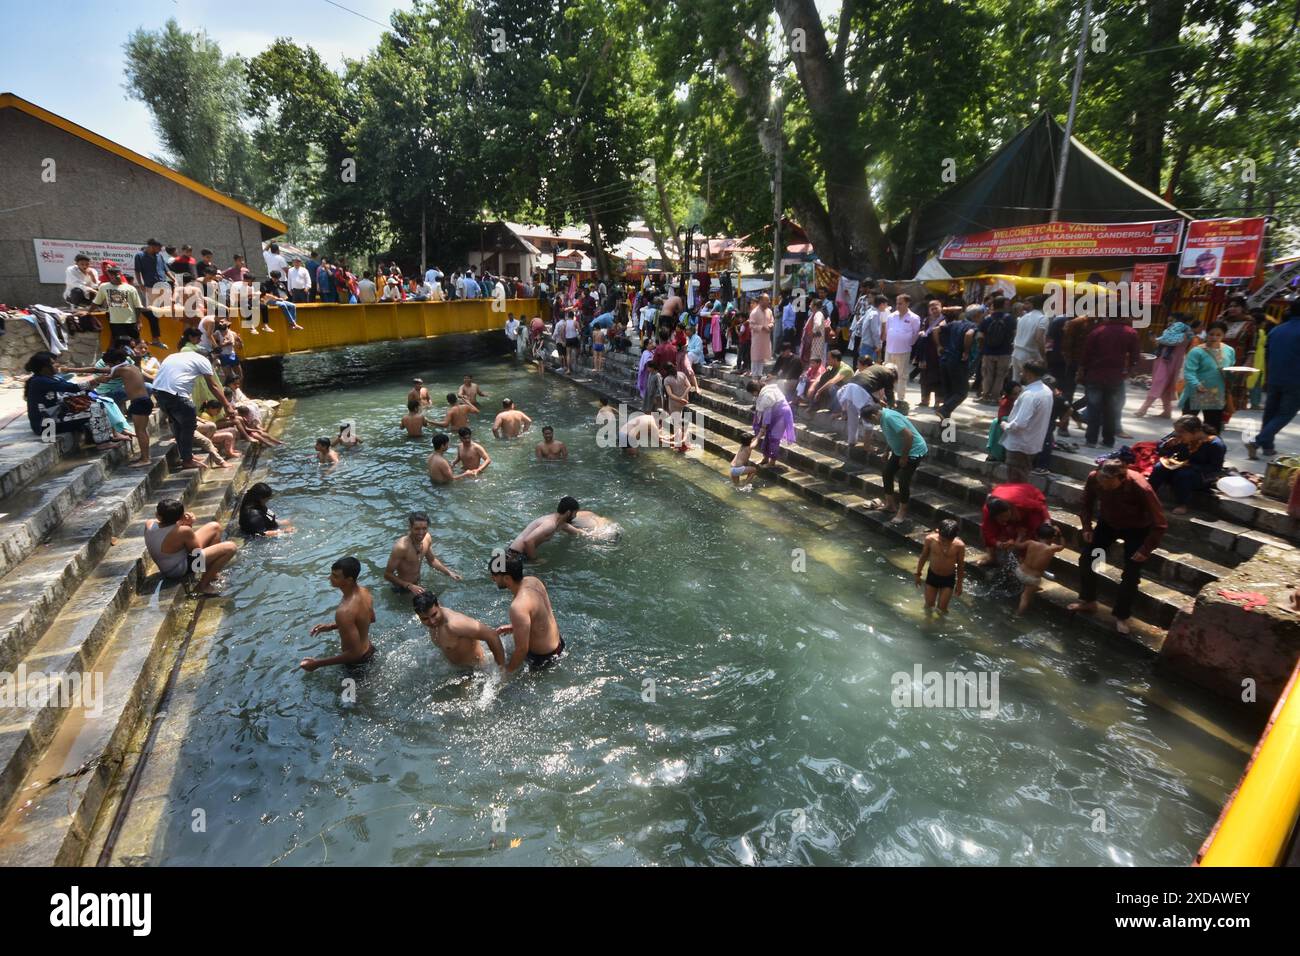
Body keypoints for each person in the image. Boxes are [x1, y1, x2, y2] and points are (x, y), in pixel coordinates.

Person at [1070, 459, 1167, 635]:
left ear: (1121, 479)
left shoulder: (1141, 487)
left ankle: (1121, 615)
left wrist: (1145, 549)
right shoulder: (1094, 478)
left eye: (1109, 484)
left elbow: (1160, 523)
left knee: (1131, 574)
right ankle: (1089, 600)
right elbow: (1086, 503)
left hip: (1137, 529)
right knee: (1088, 559)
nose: (1104, 487)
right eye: (1101, 482)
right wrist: (1086, 527)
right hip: (1108, 524)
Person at [152, 348, 237, 470]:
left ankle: (187, 456)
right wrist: (227, 405)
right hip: (177, 395)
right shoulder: (203, 360)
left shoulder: (174, 356)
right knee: (189, 426)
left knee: (178, 425)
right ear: (208, 357)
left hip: (159, 394)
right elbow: (213, 386)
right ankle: (187, 460)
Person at [24, 351, 123, 449]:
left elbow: (76, 390)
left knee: (100, 402)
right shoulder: (39, 381)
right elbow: (72, 388)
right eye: (53, 363)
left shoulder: (54, 378)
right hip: (46, 426)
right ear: (44, 368)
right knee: (96, 409)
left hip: (57, 416)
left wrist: (96, 395)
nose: (57, 364)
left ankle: (104, 437)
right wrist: (96, 380)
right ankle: (103, 443)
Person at [145, 498, 238, 596]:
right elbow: (196, 552)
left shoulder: (149, 524)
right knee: (230, 547)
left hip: (167, 566)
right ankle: (202, 586)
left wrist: (181, 522)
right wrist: (189, 524)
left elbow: (166, 527)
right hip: (177, 570)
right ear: (181, 516)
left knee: (215, 526)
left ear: (158, 515)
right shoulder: (183, 531)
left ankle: (212, 574)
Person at [489, 553, 564, 673]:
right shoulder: (533, 581)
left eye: (494, 575)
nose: (492, 578)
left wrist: (507, 672)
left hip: (543, 660)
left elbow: (522, 650)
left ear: (507, 578)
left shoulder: (518, 606)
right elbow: (540, 617)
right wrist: (514, 627)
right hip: (559, 645)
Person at [1247, 299, 1300, 460]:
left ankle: (1268, 447)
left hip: (1275, 377)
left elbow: (1269, 354)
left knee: (1270, 413)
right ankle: (1257, 441)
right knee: (1285, 413)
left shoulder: (1277, 330)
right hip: (1296, 378)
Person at [301, 557, 375, 671]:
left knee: (351, 690)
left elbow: (354, 654)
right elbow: (371, 618)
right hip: (370, 650)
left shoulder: (344, 612)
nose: (329, 578)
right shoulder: (365, 592)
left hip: (356, 664)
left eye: (335, 576)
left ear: (349, 580)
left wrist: (316, 664)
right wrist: (332, 626)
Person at [1078, 313, 1139, 448]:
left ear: (1108, 316)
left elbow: (1085, 354)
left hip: (1095, 374)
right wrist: (1129, 372)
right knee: (1111, 409)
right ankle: (1108, 440)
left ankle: (1091, 440)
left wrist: (1082, 370)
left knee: (1094, 408)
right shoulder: (1131, 332)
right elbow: (1135, 356)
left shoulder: (1097, 332)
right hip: (1115, 377)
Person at [1149, 415, 1227, 514]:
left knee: (1184, 475)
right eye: (1176, 431)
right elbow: (1160, 447)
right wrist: (1167, 445)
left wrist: (1191, 466)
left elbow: (1215, 469)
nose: (1177, 434)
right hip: (1178, 467)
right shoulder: (1178, 435)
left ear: (1195, 431)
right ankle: (1148, 496)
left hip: (1200, 476)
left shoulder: (1215, 444)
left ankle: (1182, 504)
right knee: (1159, 467)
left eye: (1181, 432)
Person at [863, 404, 927, 523]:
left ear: (873, 416)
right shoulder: (881, 416)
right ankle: (890, 505)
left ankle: (902, 512)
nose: (872, 424)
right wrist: (887, 451)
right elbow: (892, 436)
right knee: (887, 473)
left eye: (870, 421)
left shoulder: (889, 418)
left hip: (914, 451)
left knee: (903, 481)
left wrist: (904, 457)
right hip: (899, 450)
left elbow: (909, 436)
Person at [413, 592, 506, 669]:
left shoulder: (454, 624)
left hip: (477, 670)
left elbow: (492, 635)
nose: (432, 621)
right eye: (425, 619)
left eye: (434, 615)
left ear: (438, 605)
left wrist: (501, 671)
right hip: (459, 669)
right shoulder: (434, 623)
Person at [95, 347, 154, 465]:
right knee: (142, 431)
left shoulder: (121, 370)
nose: (109, 367)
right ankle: (144, 456)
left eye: (110, 364)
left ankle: (145, 459)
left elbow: (101, 374)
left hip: (139, 402)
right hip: (144, 401)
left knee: (140, 431)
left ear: (116, 362)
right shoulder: (132, 367)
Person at [999, 361, 1054, 483]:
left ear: (1029, 373)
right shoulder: (1047, 391)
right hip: (1032, 443)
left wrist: (1005, 426)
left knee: (1015, 481)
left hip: (1020, 445)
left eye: (1023, 371)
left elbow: (1020, 424)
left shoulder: (1030, 395)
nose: (1020, 373)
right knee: (1021, 478)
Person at [1179, 320, 1235, 435]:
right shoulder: (1196, 351)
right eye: (1211, 334)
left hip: (1216, 393)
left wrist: (1233, 374)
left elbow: (1231, 369)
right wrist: (1197, 384)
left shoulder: (1229, 350)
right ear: (1206, 333)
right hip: (1195, 392)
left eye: (1218, 335)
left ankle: (1210, 451)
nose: (1214, 337)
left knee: (1213, 428)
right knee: (1187, 427)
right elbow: (1189, 372)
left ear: (1224, 335)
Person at [384, 511, 461, 594]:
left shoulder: (427, 538)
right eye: (417, 529)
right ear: (410, 527)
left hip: (417, 584)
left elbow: (432, 560)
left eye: (424, 528)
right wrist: (409, 586)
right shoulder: (401, 547)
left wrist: (449, 573)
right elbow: (387, 574)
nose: (421, 533)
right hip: (402, 588)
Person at [1137, 314, 1196, 418]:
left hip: (1170, 362)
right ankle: (1167, 411)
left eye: (1172, 321)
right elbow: (1163, 344)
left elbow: (1173, 342)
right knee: (1165, 385)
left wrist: (1158, 339)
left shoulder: (1186, 333)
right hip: (1164, 361)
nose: (1170, 323)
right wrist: (1155, 340)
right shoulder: (1170, 333)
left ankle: (1143, 409)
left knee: (1159, 383)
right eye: (1168, 321)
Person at [980, 483, 1051, 566]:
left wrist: (1047, 520)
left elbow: (1041, 507)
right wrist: (998, 544)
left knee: (1040, 530)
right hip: (1005, 493)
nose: (1005, 519)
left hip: (1027, 496)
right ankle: (991, 557)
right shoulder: (987, 511)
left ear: (1011, 509)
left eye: (1006, 516)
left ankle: (1030, 561)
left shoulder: (1024, 503)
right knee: (984, 529)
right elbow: (988, 533)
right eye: (1001, 518)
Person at [507, 496, 585, 561]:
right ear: (568, 513)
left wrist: (590, 534)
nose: (575, 516)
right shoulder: (550, 524)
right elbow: (528, 541)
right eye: (575, 513)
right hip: (515, 556)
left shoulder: (559, 523)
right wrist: (535, 560)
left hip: (515, 554)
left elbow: (576, 531)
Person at [936, 305, 979, 419]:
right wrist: (966, 351)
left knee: (949, 392)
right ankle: (944, 410)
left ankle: (944, 419)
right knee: (961, 392)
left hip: (945, 359)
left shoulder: (954, 323)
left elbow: (935, 330)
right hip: (957, 361)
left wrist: (939, 346)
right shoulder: (972, 326)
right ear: (976, 316)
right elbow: (969, 334)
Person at [1012, 522, 1064, 615]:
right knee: (1025, 597)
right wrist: (1060, 534)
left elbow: (1017, 545)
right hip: (1032, 579)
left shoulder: (1030, 542)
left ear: (1036, 535)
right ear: (1053, 538)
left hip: (1019, 571)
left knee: (1023, 561)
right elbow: (1062, 546)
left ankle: (1029, 588)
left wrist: (1020, 536)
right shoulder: (1051, 549)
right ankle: (1018, 615)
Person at [915, 518, 965, 612]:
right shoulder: (930, 540)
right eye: (943, 540)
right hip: (933, 576)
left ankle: (940, 624)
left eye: (949, 541)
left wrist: (959, 584)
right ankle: (927, 624)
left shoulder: (959, 546)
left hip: (948, 579)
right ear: (938, 532)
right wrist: (918, 574)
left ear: (954, 537)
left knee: (942, 608)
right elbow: (923, 557)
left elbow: (961, 566)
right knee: (929, 605)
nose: (945, 543)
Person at [747, 378, 796, 467]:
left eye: (752, 393)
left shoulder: (767, 396)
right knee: (767, 437)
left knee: (774, 438)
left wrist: (762, 429)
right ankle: (765, 458)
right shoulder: (764, 391)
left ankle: (772, 462)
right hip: (774, 414)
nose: (752, 395)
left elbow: (766, 416)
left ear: (755, 391)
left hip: (782, 415)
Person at [977, 296, 1018, 403]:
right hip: (1005, 352)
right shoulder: (1010, 319)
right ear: (1004, 305)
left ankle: (985, 395)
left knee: (987, 374)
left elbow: (980, 336)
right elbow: (1015, 334)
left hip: (988, 351)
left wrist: (983, 348)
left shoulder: (987, 319)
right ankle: (995, 397)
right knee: (1000, 375)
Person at [884, 293, 920, 400]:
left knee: (901, 376)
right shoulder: (891, 316)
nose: (898, 306)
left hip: (903, 351)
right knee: (887, 375)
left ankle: (900, 400)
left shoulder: (914, 318)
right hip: (889, 350)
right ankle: (888, 398)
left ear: (907, 303)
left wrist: (906, 343)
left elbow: (915, 334)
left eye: (900, 303)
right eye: (897, 303)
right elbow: (887, 331)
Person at [1012, 295, 1048, 383]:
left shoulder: (1023, 317)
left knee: (1015, 382)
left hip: (1016, 352)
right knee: (1030, 382)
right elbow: (1039, 338)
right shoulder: (1042, 318)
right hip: (1029, 355)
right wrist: (1043, 356)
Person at [748, 292, 775, 376]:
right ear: (760, 301)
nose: (769, 302)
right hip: (757, 338)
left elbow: (772, 321)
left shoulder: (769, 311)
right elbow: (751, 325)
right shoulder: (754, 312)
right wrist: (762, 327)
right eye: (766, 300)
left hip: (766, 338)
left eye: (768, 300)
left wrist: (770, 326)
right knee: (756, 357)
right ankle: (754, 375)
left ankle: (759, 374)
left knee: (762, 357)